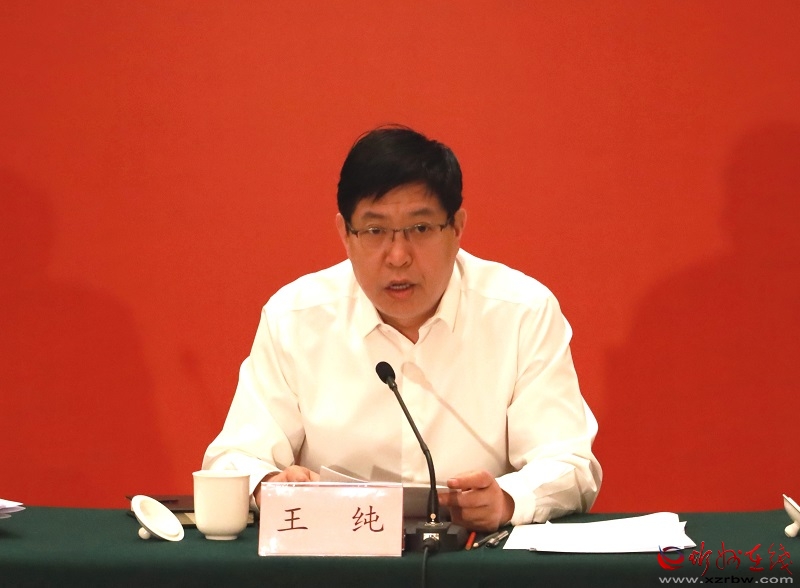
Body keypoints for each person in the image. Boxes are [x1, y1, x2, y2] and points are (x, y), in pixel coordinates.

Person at [203, 125, 602, 531]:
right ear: (345, 234)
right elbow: (234, 459)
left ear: (457, 228)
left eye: (420, 229)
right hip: (338, 553)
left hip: (469, 555)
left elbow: (570, 463)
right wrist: (269, 485)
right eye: (375, 231)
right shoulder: (295, 317)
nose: (397, 256)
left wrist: (508, 499)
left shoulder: (522, 313)